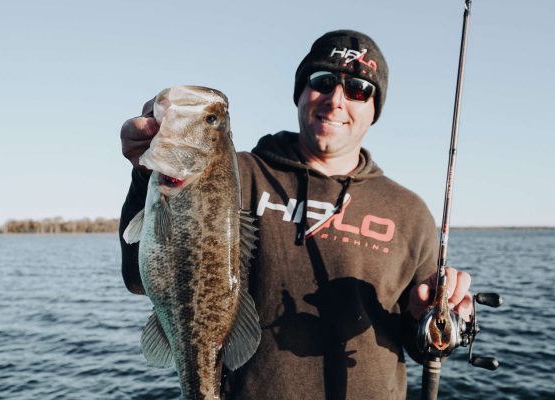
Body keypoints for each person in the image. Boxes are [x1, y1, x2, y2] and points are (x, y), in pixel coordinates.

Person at [119, 30, 473, 399]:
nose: (336, 100)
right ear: (300, 92)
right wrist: (144, 174)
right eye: (323, 81)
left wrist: (429, 317)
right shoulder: (237, 176)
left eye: (358, 89)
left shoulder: (409, 211)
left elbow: (422, 346)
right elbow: (139, 277)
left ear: (374, 109)